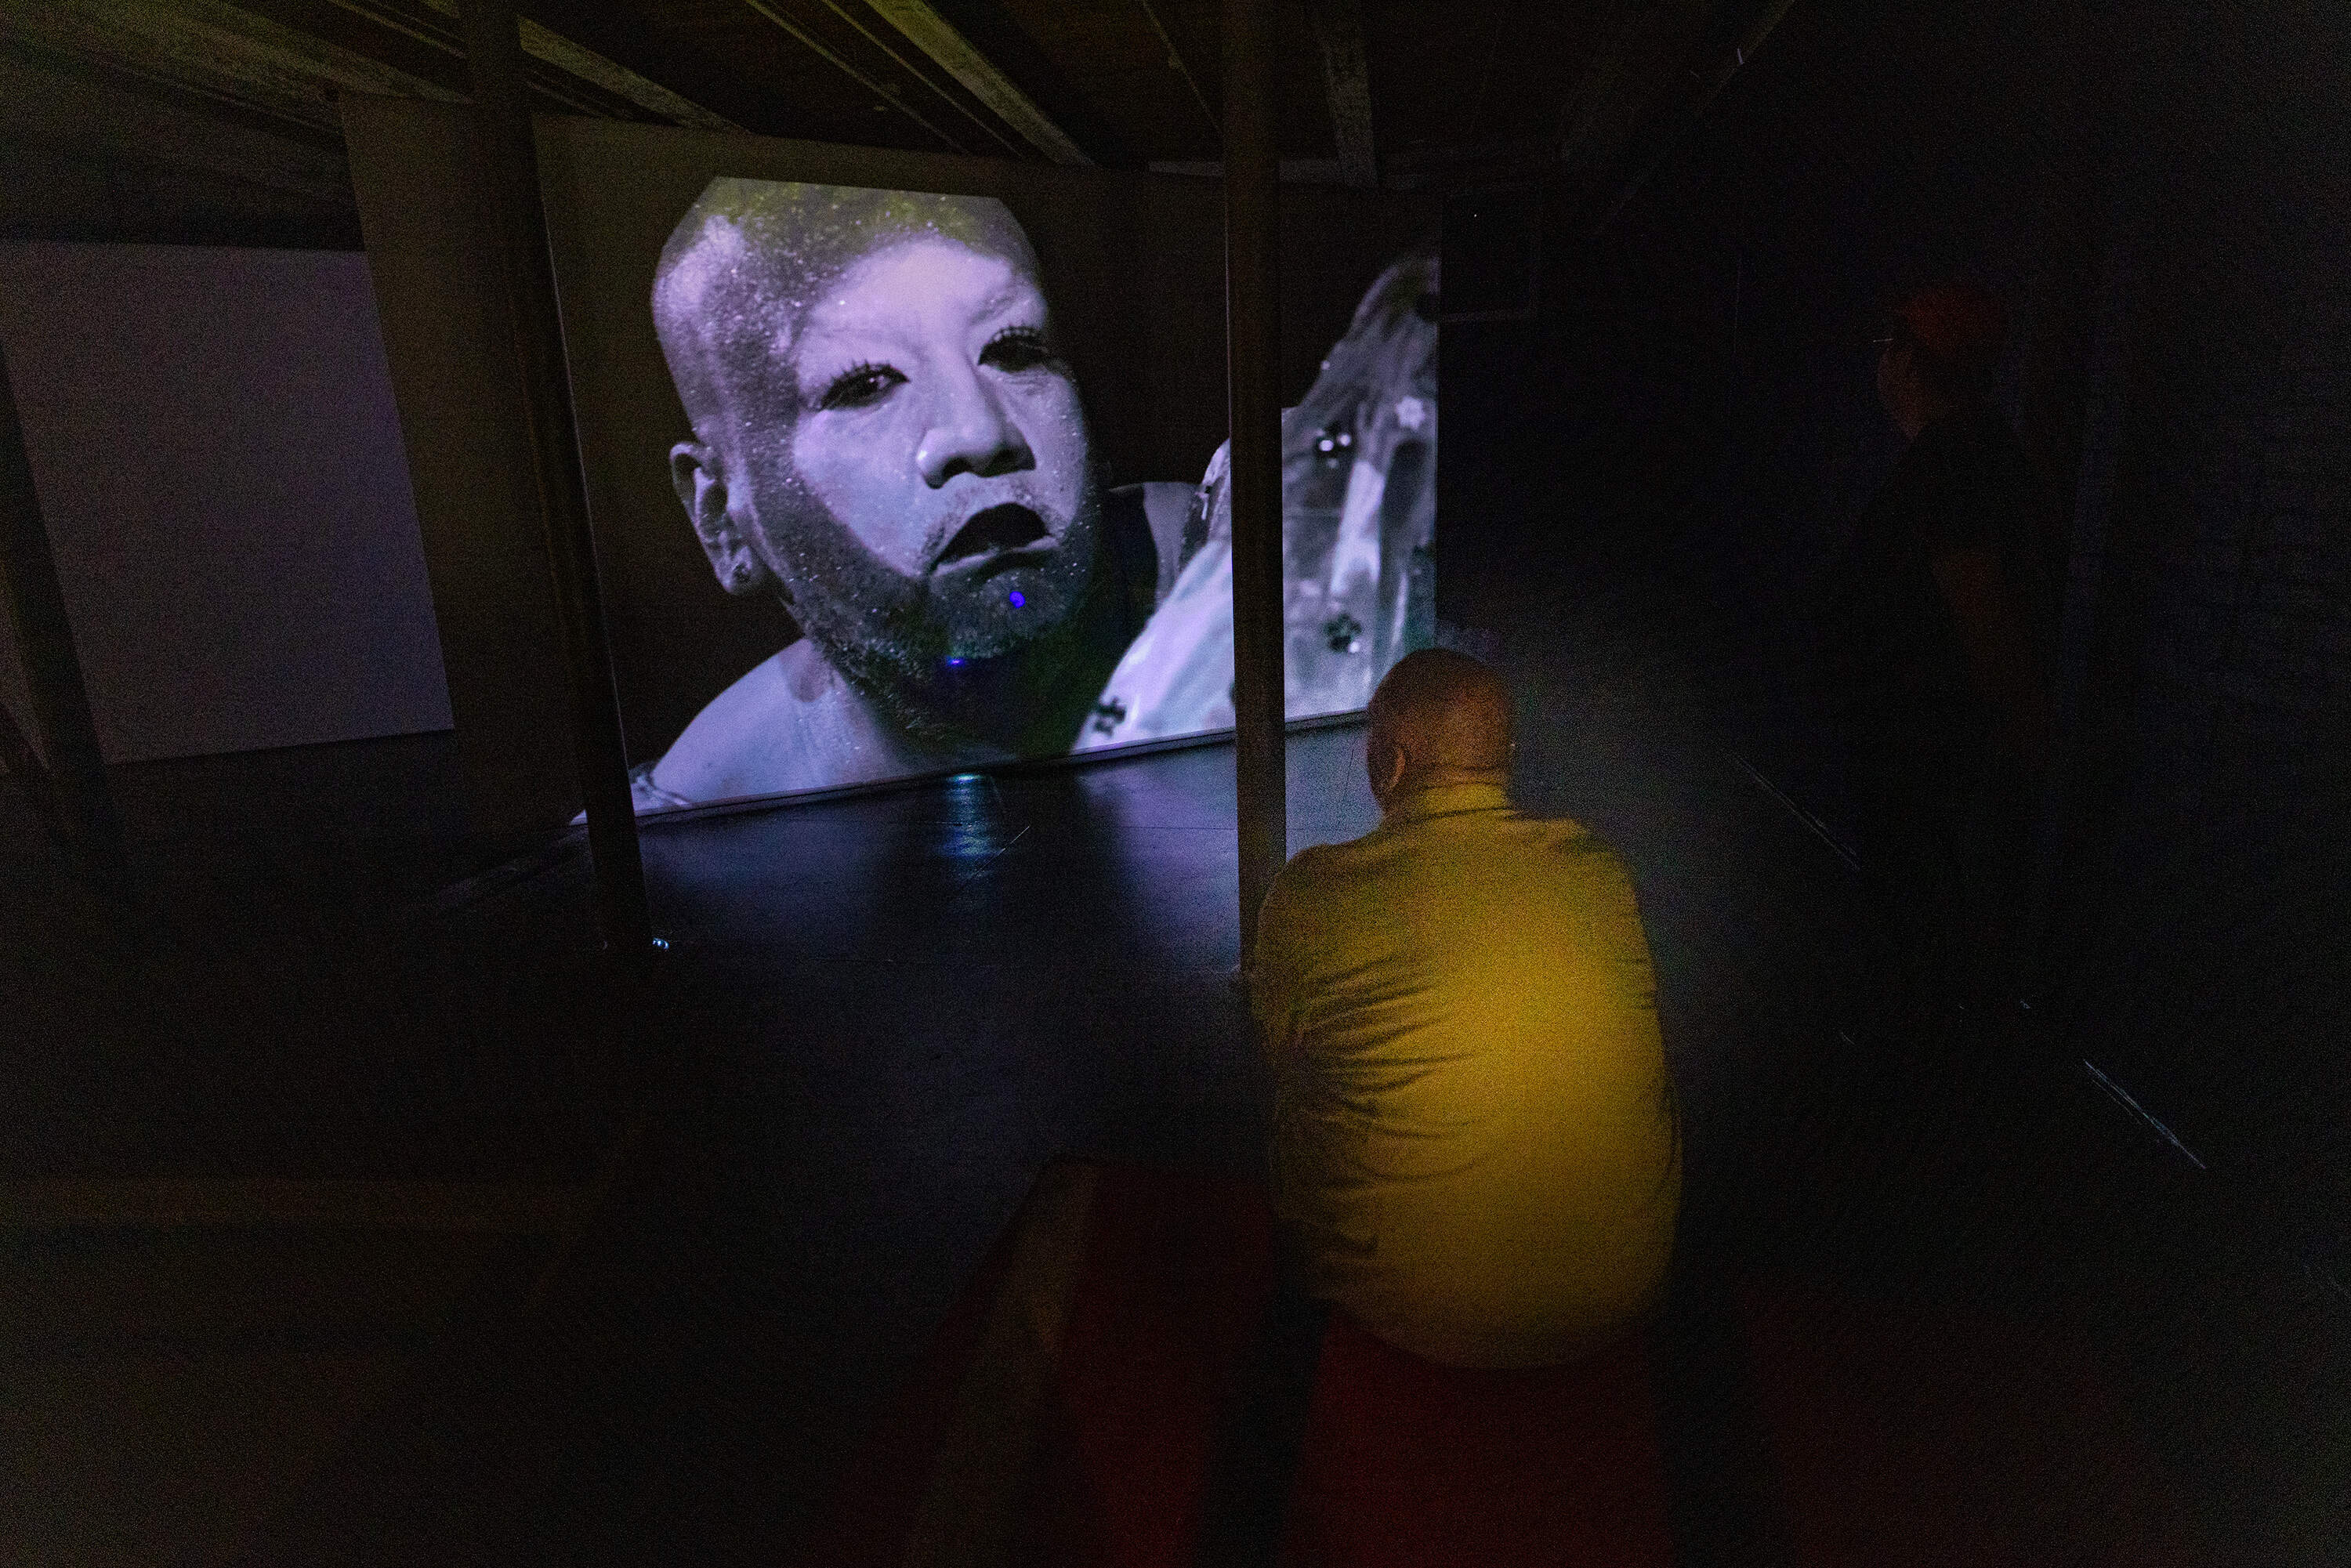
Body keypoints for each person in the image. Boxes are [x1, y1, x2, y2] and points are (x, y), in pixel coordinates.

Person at [636, 179, 1196, 808]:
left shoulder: (1256, 578)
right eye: (866, 386)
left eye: (1014, 351)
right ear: (722, 519)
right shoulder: (699, 840)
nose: (979, 434)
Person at [1248, 650, 1682, 1370]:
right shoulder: (1596, 866)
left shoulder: (1312, 893)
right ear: (1504, 757)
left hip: (1403, 1308)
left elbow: (1280, 1059)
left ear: (1388, 765)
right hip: (1625, 1292)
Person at [1828, 281, 2054, 1019]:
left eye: (1887, 346)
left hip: (1925, 763)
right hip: (1929, 762)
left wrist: (2024, 742)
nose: (1879, 364)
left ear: (1911, 358)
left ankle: (1916, 1094)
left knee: (1920, 940)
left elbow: (1982, 618)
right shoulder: (1973, 455)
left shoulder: (1954, 465)